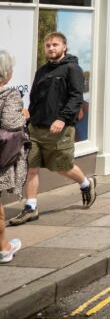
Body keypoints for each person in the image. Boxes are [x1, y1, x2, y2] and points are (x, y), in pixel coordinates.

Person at [9, 32, 96, 227]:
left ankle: (86, 183)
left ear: (64, 47)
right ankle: (31, 208)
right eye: (48, 45)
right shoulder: (42, 70)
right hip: (36, 128)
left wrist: (62, 119)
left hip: (59, 130)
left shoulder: (72, 69)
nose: (51, 48)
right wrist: (27, 118)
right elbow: (35, 98)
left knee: (62, 167)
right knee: (31, 169)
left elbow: (76, 98)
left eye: (55, 45)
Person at [0, 51, 27, 263]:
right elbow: (11, 123)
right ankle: (3, 248)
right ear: (6, 73)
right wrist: (24, 115)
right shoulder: (9, 95)